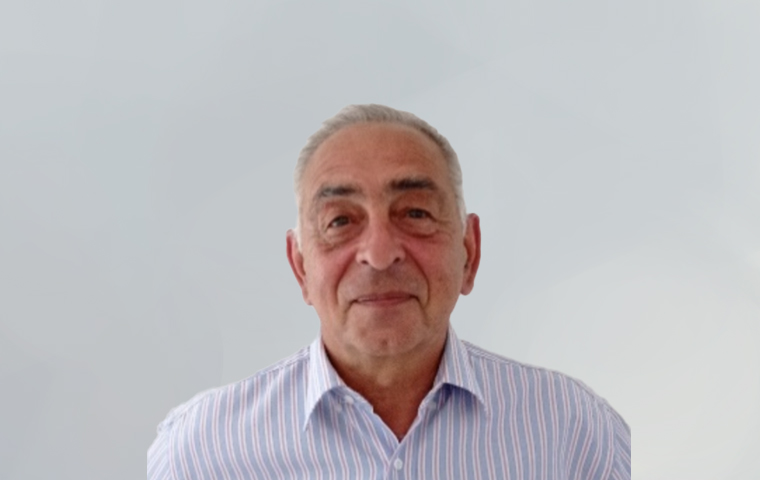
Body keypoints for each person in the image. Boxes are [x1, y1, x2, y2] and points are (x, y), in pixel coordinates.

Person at [147, 104, 631, 480]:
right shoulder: (203, 451)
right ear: (300, 267)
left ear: (470, 252)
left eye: (415, 213)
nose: (379, 254)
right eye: (340, 221)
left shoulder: (572, 431)